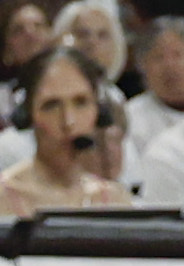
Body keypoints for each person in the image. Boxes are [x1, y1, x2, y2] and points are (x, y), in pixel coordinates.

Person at [0, 47, 132, 216]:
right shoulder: (3, 198)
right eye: (51, 105)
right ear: (27, 114)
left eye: (81, 102)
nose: (68, 121)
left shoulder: (115, 201)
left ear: (99, 112)